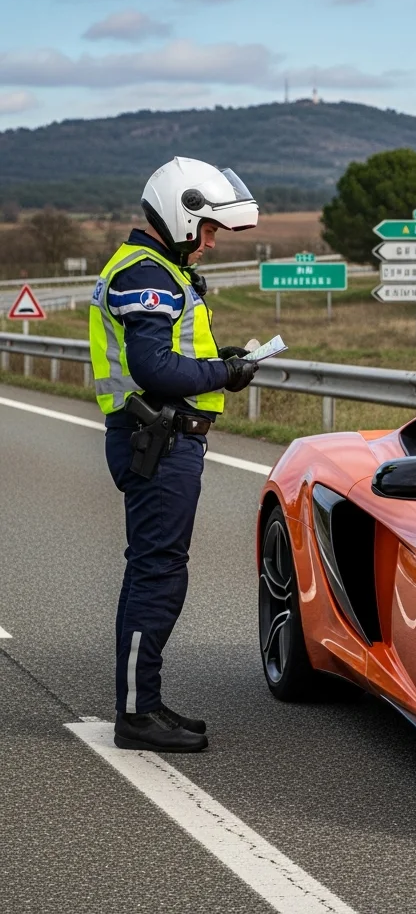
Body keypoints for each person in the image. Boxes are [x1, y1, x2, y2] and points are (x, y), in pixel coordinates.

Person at [89, 157, 261, 753]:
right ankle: (137, 715)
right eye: (209, 229)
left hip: (163, 438)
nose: (212, 241)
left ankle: (146, 704)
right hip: (158, 438)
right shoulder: (147, 273)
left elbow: (170, 349)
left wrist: (222, 357)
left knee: (156, 570)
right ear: (182, 216)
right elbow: (154, 367)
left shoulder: (157, 269)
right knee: (157, 574)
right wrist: (227, 372)